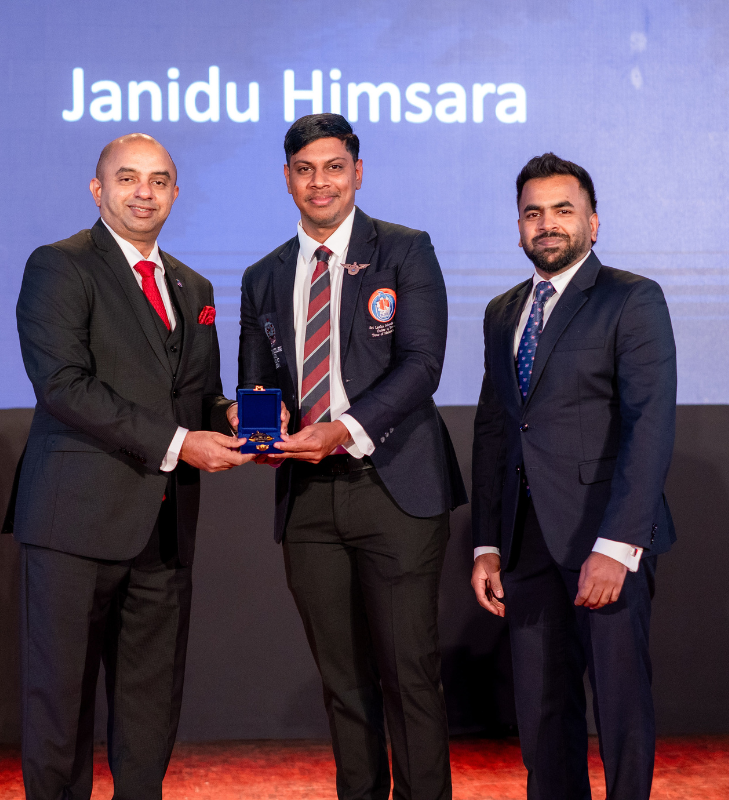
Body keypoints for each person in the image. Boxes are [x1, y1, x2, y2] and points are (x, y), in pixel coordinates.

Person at [6, 133, 255, 800]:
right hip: (73, 524)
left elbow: (196, 393)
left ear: (175, 192)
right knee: (60, 703)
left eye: (159, 180)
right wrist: (180, 441)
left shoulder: (193, 285)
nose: (144, 192)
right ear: (98, 190)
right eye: (127, 178)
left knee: (150, 706)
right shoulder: (60, 266)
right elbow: (64, 386)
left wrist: (229, 414)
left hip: (164, 529)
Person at [238, 113, 468, 800]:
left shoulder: (404, 250)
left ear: (358, 173)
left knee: (409, 677)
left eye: (334, 167)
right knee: (343, 684)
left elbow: (422, 365)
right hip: (307, 499)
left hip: (395, 487)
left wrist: (340, 429)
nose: (320, 182)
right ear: (287, 179)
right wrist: (259, 423)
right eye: (305, 169)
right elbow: (257, 381)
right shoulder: (262, 275)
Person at [470, 153, 677, 800]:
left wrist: (618, 546)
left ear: (594, 221)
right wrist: (486, 543)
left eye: (563, 210)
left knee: (620, 708)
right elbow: (495, 431)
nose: (547, 224)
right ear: (519, 226)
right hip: (525, 544)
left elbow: (649, 426)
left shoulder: (632, 298)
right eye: (533, 212)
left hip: (604, 540)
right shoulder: (502, 311)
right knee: (542, 714)